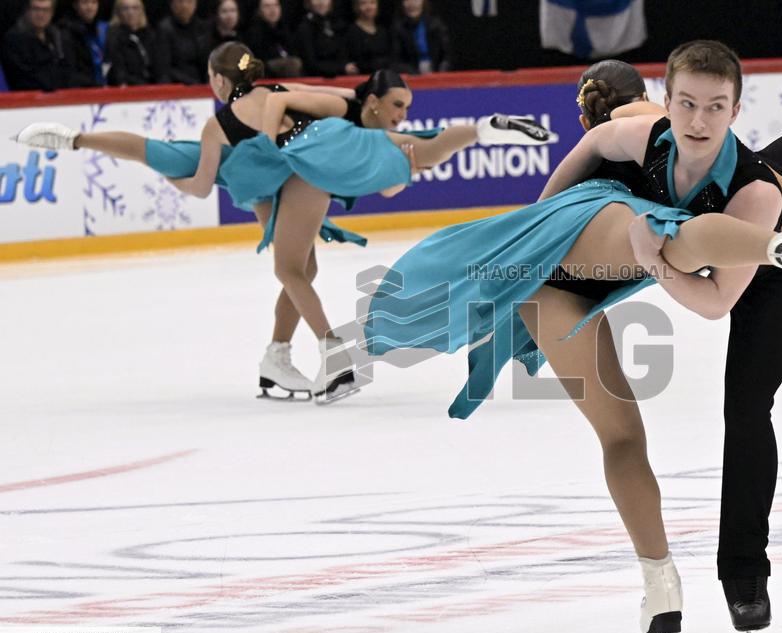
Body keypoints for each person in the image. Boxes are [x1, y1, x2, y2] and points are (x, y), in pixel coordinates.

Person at [542, 45, 782, 633]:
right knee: (765, 172)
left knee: (747, 409)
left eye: (713, 106)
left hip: (768, 275)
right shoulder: (649, 132)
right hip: (707, 227)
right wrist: (540, 223)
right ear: (663, 101)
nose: (697, 117)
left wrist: (644, 261)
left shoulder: (654, 136)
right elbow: (596, 149)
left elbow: (715, 302)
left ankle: (745, 575)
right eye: (686, 105)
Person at [14, 43, 555, 403]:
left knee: (293, 265)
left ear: (221, 81)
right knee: (299, 265)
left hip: (295, 167)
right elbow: (297, 112)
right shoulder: (307, 101)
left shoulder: (224, 121)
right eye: (393, 104)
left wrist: (179, 178)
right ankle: (295, 356)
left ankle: (321, 354)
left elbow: (197, 181)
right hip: (295, 170)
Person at [1, 0, 87, 91]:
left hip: (63, 97)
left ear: (52, 12)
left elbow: (70, 71)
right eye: (36, 9)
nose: (41, 14)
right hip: (29, 100)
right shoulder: (14, 40)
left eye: (46, 10)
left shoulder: (57, 36)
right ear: (27, 11)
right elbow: (25, 79)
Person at [105, 0, 160, 86]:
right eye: (125, 9)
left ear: (141, 11)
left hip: (150, 85)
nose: (130, 12)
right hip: (128, 87)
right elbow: (118, 69)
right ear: (118, 12)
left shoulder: (149, 34)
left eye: (135, 8)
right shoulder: (114, 36)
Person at [155, 0, 210, 83]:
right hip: (177, 85)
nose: (184, 6)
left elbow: (207, 60)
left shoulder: (202, 28)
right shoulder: (164, 29)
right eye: (180, 1)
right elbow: (164, 68)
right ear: (172, 5)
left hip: (201, 84)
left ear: (195, 5)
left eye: (189, 1)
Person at [243, 0, 301, 77]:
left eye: (276, 5)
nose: (273, 10)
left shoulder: (285, 28)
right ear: (259, 10)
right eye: (267, 6)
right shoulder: (254, 33)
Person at [58, 0, 109, 86]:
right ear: (75, 5)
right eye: (85, 2)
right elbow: (71, 72)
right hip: (84, 90)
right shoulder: (66, 32)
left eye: (94, 2)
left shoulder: (101, 28)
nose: (90, 7)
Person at [392, 0, 450, 74]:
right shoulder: (398, 28)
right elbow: (396, 61)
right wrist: (414, 74)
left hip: (437, 73)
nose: (411, 4)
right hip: (412, 75)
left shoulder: (436, 25)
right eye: (407, 0)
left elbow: (447, 56)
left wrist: (441, 73)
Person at [295, 0, 349, 77]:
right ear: (309, 2)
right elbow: (310, 64)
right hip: (315, 79)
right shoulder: (304, 28)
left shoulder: (339, 24)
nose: (321, 2)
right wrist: (341, 68)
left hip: (342, 76)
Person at [343, 0, 393, 74]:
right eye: (363, 3)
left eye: (372, 2)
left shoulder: (382, 30)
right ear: (357, 7)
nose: (369, 7)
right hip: (362, 78)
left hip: (384, 75)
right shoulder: (351, 31)